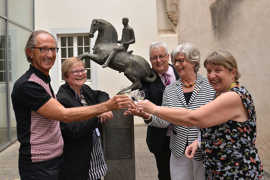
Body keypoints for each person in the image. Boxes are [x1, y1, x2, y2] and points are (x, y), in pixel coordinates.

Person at [11, 30, 133, 180]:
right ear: (30, 52)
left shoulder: (43, 80)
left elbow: (99, 94)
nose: (49, 54)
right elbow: (64, 115)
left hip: (55, 160)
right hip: (40, 165)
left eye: (52, 49)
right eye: (43, 49)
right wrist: (105, 107)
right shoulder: (28, 85)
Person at [134, 50, 264, 179]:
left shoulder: (233, 96)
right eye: (209, 71)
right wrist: (199, 142)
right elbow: (222, 129)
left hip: (236, 171)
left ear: (233, 72)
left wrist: (154, 108)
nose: (212, 76)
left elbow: (194, 118)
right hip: (219, 169)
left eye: (218, 70)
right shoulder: (222, 93)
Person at [126, 42, 215, 180]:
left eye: (181, 61)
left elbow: (214, 118)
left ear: (193, 62)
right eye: (176, 61)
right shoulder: (171, 89)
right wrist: (146, 115)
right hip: (178, 150)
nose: (177, 65)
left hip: (203, 150)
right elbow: (164, 120)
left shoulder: (209, 86)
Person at [57, 57, 110, 180]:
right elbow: (73, 130)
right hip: (77, 162)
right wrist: (97, 114)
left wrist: (104, 108)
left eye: (83, 70)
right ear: (66, 76)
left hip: (94, 156)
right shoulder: (62, 98)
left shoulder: (85, 90)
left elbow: (102, 95)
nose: (81, 74)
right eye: (75, 72)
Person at [141, 41, 179, 180]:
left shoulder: (181, 72)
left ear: (168, 56)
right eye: (153, 58)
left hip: (184, 135)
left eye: (161, 56)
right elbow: (141, 100)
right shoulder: (145, 78)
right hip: (160, 138)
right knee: (165, 174)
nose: (158, 60)